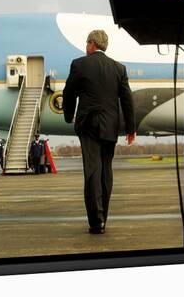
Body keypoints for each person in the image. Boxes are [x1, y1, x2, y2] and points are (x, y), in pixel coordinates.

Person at [63, 30, 136, 234]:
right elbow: (127, 99)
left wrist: (69, 116)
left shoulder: (79, 65)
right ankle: (104, 216)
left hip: (88, 125)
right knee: (106, 170)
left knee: (92, 170)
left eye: (87, 43)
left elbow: (69, 93)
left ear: (92, 44)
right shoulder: (118, 68)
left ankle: (96, 221)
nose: (86, 47)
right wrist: (131, 128)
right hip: (110, 125)